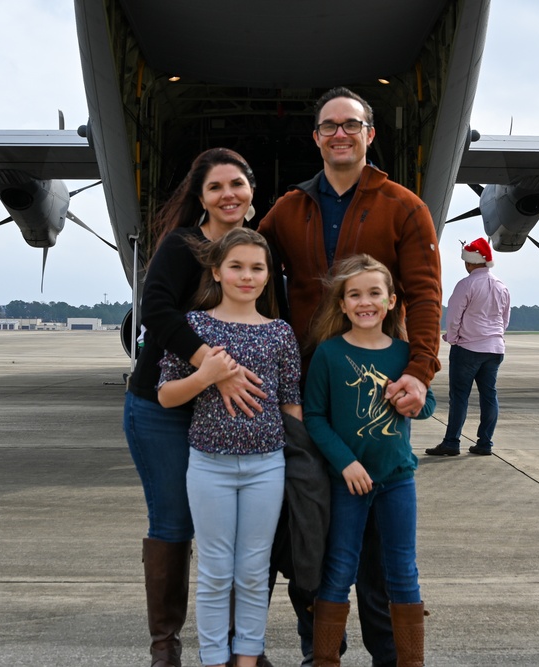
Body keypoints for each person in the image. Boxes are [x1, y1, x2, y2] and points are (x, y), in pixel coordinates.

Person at [258, 86, 441, 666]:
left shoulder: (404, 206)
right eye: (329, 126)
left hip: (376, 393)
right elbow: (250, 274)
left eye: (351, 125)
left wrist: (419, 371)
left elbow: (426, 295)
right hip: (309, 394)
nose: (340, 133)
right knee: (314, 533)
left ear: (369, 134)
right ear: (316, 137)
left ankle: (392, 654)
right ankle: (323, 653)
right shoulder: (288, 209)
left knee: (383, 548)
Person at [123, 148, 268, 667]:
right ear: (201, 197)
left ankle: (239, 647)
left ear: (251, 192)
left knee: (233, 530)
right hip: (162, 406)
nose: (228, 194)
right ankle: (166, 646)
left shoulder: (255, 250)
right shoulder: (184, 247)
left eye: (238, 184)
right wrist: (210, 364)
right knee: (174, 522)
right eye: (215, 187)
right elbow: (155, 307)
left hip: (226, 408)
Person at [157, 227, 302, 667]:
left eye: (256, 268)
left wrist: (299, 467)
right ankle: (214, 659)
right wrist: (205, 375)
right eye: (236, 266)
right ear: (216, 271)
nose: (246, 276)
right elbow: (166, 394)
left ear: (268, 276)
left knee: (255, 571)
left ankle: (246, 657)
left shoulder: (280, 333)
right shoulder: (196, 326)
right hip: (209, 465)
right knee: (216, 571)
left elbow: (290, 405)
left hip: (266, 466)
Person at [304, 254, 435, 666]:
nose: (365, 302)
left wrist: (414, 401)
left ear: (392, 301)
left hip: (397, 479)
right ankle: (326, 659)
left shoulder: (404, 353)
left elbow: (427, 403)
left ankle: (410, 660)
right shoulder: (328, 354)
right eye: (354, 294)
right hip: (349, 482)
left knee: (403, 570)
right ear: (341, 304)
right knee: (340, 568)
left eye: (374, 293)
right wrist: (345, 463)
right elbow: (314, 417)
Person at [426, 237, 510, 457]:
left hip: (469, 347)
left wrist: (452, 338)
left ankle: (452, 442)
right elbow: (505, 319)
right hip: (494, 348)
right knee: (489, 395)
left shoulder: (467, 284)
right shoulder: (502, 286)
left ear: (470, 263)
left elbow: (454, 316)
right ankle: (485, 443)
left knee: (460, 396)